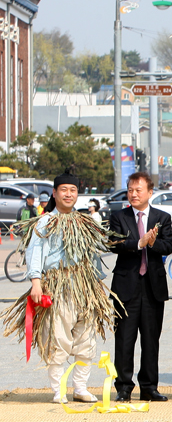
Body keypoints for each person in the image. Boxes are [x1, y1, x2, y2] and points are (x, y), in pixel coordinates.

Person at [1, 171, 119, 404]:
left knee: (86, 338)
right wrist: (36, 281)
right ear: (54, 193)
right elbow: (36, 253)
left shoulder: (84, 222)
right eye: (63, 190)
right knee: (58, 337)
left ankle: (81, 387)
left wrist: (97, 282)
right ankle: (59, 390)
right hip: (57, 285)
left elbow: (92, 255)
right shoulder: (44, 222)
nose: (68, 194)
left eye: (72, 190)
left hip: (85, 286)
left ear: (77, 195)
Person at [108, 172, 172, 402]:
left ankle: (149, 387)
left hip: (153, 287)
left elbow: (168, 246)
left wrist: (153, 243)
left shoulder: (162, 217)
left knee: (150, 339)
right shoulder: (119, 216)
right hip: (126, 287)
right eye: (130, 190)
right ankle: (124, 388)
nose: (133, 194)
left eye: (138, 190)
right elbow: (113, 243)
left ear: (150, 192)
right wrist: (138, 243)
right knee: (124, 339)